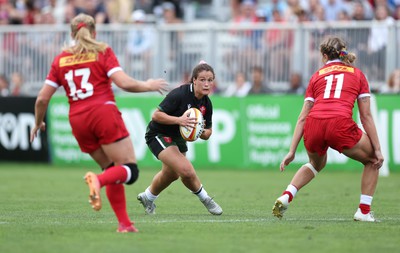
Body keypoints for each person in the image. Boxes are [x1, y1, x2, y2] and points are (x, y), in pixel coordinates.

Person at [29, 13, 168, 233]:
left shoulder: (60, 59)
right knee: (130, 170)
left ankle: (124, 224)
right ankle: (98, 181)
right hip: (102, 112)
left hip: (77, 120)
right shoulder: (102, 51)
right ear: (94, 32)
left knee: (111, 168)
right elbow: (123, 82)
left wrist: (38, 123)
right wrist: (148, 85)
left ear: (72, 34)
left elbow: (42, 99)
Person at [271, 36, 384, 222]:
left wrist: (291, 151)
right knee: (372, 160)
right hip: (339, 123)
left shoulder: (317, 76)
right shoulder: (357, 74)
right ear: (343, 53)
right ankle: (363, 211)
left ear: (324, 55)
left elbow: (302, 118)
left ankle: (287, 195)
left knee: (315, 164)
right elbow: (366, 116)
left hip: (314, 124)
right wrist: (378, 149)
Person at [137, 60, 223, 216]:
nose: (206, 84)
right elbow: (156, 115)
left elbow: (208, 132)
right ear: (194, 80)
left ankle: (148, 197)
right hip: (158, 134)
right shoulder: (180, 94)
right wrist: (180, 121)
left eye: (210, 80)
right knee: (186, 171)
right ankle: (206, 199)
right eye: (202, 80)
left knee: (172, 174)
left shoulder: (207, 103)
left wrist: (200, 131)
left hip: (177, 137)